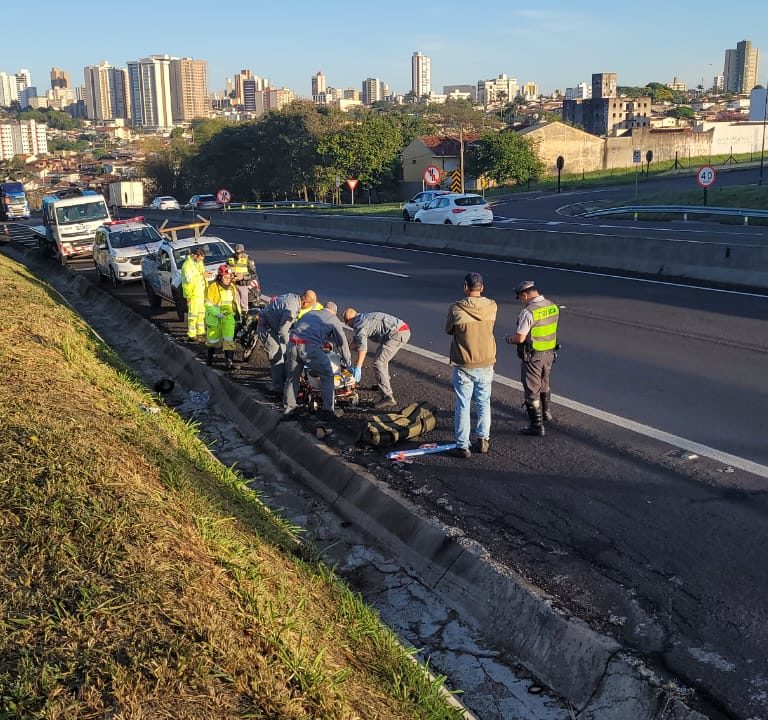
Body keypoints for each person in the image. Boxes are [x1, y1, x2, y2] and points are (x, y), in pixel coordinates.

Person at [445, 272, 497, 458]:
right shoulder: (492, 306)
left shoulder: (456, 309)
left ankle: (462, 445)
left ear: (465, 287)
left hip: (464, 364)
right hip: (486, 362)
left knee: (463, 404)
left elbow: (448, 330)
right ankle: (483, 440)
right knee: (484, 402)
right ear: (482, 287)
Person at [504, 280, 560, 436]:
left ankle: (537, 425)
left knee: (531, 390)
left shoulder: (529, 312)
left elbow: (520, 338)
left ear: (524, 294)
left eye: (521, 298)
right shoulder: (552, 306)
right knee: (545, 384)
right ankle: (546, 412)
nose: (522, 301)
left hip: (533, 356)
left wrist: (508, 339)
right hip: (549, 354)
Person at [283, 305, 352, 421]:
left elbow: (297, 327)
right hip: (309, 347)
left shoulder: (310, 313)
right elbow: (341, 342)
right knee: (327, 373)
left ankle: (289, 410)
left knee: (292, 377)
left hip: (292, 344)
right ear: (334, 312)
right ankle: (327, 411)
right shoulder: (332, 318)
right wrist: (347, 362)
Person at [342, 308, 410, 409]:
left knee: (379, 362)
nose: (350, 327)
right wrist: (345, 353)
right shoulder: (361, 318)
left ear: (349, 320)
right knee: (381, 358)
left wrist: (358, 367)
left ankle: (388, 397)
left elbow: (363, 349)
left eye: (348, 324)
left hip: (397, 334)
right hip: (399, 329)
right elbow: (356, 340)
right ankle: (383, 383)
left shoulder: (358, 325)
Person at [258, 289, 319, 394]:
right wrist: (290, 345)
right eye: (309, 306)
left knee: (286, 354)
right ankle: (277, 387)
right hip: (267, 328)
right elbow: (283, 331)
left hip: (274, 325)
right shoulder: (291, 308)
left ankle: (284, 381)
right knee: (278, 358)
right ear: (304, 302)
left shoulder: (293, 297)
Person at [204, 264, 242, 370]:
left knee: (228, 339)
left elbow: (235, 303)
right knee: (213, 341)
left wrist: (238, 316)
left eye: (229, 277)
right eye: (225, 277)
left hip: (228, 317)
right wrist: (217, 313)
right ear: (220, 277)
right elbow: (208, 304)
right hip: (215, 318)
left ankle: (229, 362)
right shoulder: (213, 287)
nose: (227, 280)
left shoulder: (232, 287)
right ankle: (209, 359)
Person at [180, 246, 207, 340]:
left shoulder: (198, 263)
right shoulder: (187, 265)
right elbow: (189, 280)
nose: (201, 260)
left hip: (200, 292)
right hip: (192, 294)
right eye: (200, 257)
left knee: (201, 314)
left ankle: (200, 331)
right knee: (193, 315)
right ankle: (191, 334)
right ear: (194, 255)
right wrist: (201, 276)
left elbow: (201, 273)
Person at [227, 243, 259, 312]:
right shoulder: (230, 259)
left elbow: (253, 274)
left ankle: (244, 318)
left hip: (243, 285)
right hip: (233, 285)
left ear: (243, 251)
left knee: (243, 305)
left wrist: (243, 277)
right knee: (235, 304)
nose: (238, 255)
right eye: (236, 253)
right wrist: (231, 276)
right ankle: (238, 319)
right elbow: (227, 270)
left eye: (239, 253)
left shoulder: (248, 259)